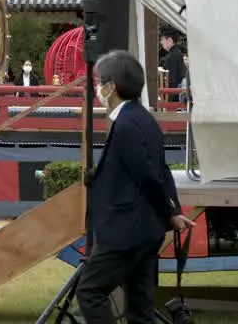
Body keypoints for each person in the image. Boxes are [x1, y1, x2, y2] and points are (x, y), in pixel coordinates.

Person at [76, 50, 194, 324]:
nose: (96, 87)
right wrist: (172, 210)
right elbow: (162, 171)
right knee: (140, 310)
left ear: (111, 86)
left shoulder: (127, 124)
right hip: (145, 228)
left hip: (126, 228)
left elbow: (148, 176)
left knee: (90, 290)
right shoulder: (144, 118)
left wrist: (169, 211)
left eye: (99, 81)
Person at [159, 27, 186, 103]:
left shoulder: (173, 56)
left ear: (170, 40)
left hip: (174, 98)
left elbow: (173, 81)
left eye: (162, 39)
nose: (161, 42)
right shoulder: (176, 54)